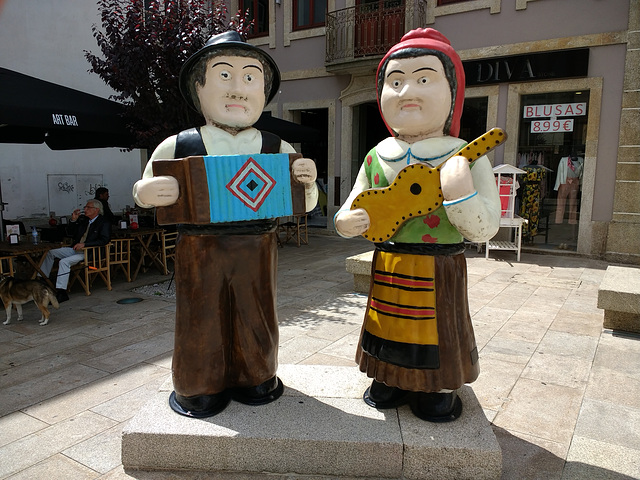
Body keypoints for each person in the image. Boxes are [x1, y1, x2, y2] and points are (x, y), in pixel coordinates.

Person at [132, 31, 318, 418]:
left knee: (258, 314)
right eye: (224, 76)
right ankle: (198, 385)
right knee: (201, 318)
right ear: (198, 88)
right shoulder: (180, 144)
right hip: (200, 250)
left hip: (258, 246)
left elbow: (307, 203)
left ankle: (257, 376)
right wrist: (152, 190)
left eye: (251, 78)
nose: (238, 88)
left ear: (264, 92)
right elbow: (143, 188)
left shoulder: (275, 146)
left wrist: (307, 182)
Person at [334, 28, 501, 422]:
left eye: (424, 79)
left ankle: (436, 388)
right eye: (395, 81)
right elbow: (353, 201)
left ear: (452, 92)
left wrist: (461, 195)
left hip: (438, 266)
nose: (407, 91)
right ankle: (388, 377)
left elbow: (486, 226)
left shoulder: (465, 155)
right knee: (385, 323)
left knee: (437, 328)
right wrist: (346, 221)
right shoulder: (378, 154)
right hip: (390, 262)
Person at [40, 199, 111, 303]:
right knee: (50, 253)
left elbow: (104, 240)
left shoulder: (103, 222)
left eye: (88, 207)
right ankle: (42, 279)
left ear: (96, 210)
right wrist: (73, 220)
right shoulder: (84, 220)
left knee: (64, 262)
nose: (85, 209)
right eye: (85, 207)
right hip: (76, 249)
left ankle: (61, 291)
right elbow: (70, 233)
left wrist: (85, 244)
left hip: (90, 252)